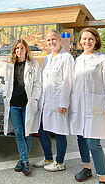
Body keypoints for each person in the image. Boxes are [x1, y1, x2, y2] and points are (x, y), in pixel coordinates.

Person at [70, 27, 105, 184]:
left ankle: (103, 179)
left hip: (96, 106)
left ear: (96, 40)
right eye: (84, 39)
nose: (87, 42)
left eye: (90, 38)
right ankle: (87, 167)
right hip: (79, 106)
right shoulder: (78, 60)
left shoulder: (104, 59)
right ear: (80, 41)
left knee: (93, 143)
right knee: (81, 138)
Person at [34, 29, 73, 171]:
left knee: (60, 131)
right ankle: (48, 158)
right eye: (49, 40)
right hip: (45, 101)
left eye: (53, 39)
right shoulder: (48, 58)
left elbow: (68, 81)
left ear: (60, 40)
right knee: (42, 130)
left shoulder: (67, 57)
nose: (51, 42)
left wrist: (64, 103)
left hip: (58, 101)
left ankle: (60, 162)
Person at [3, 39, 41, 175]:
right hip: (14, 104)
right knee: (18, 133)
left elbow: (37, 83)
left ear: (26, 50)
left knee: (27, 132)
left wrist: (35, 98)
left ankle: (23, 160)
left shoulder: (33, 64)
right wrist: (4, 95)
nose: (19, 51)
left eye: (22, 48)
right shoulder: (10, 65)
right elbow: (7, 83)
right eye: (17, 48)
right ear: (14, 51)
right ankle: (24, 160)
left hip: (27, 103)